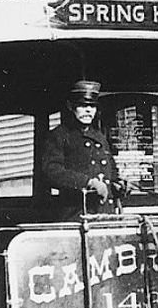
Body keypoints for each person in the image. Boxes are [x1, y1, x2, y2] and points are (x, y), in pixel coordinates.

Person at [35, 80, 122, 221]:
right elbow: (51, 172)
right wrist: (88, 182)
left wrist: (119, 183)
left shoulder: (99, 137)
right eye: (82, 105)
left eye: (92, 106)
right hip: (77, 215)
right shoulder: (59, 136)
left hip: (105, 213)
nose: (88, 110)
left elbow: (110, 172)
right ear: (70, 106)